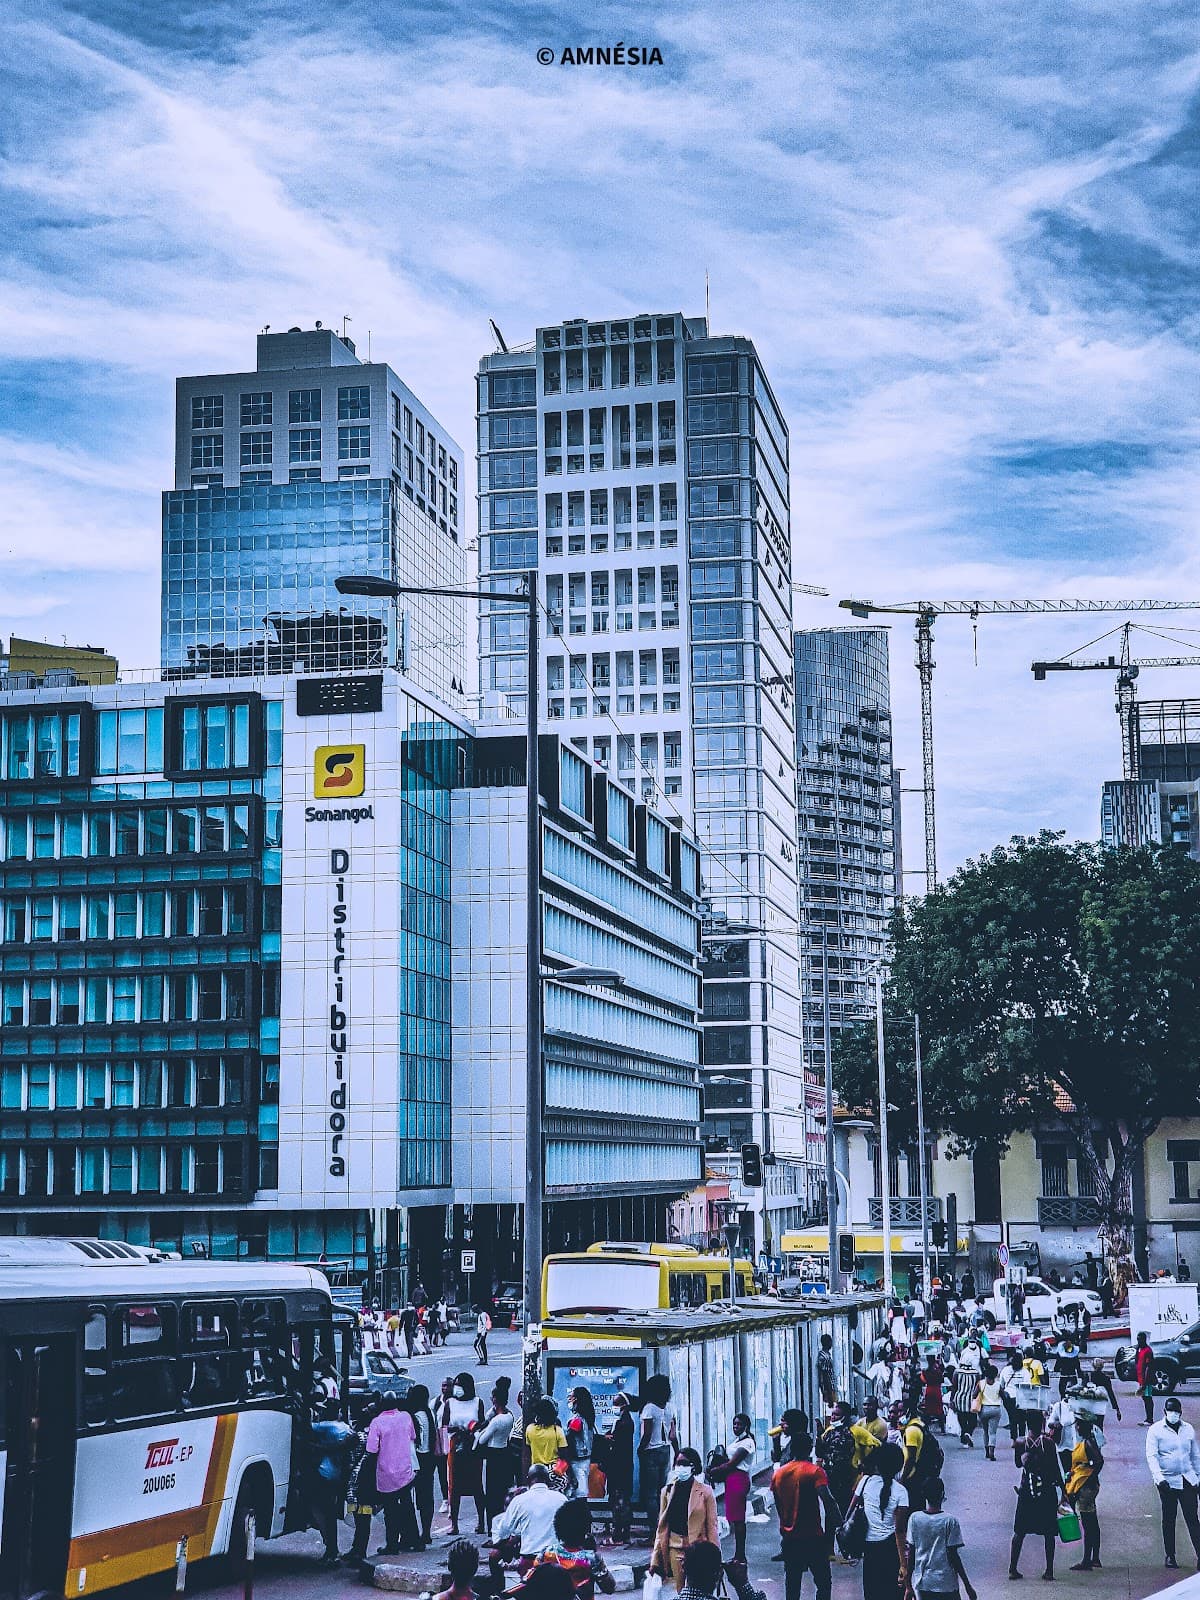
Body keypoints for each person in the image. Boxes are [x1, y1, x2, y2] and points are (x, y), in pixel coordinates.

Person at [772, 1428, 839, 1600]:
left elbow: (778, 1502)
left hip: (789, 1538)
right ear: (810, 1449)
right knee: (824, 1583)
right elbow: (828, 1500)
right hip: (813, 1537)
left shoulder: (778, 1474)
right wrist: (841, 1524)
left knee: (792, 1585)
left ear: (792, 1449)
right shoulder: (814, 1471)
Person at [650, 1448, 718, 1591]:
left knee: (699, 1589)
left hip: (699, 1550)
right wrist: (655, 1559)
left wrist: (716, 1557)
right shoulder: (667, 1491)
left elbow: (712, 1526)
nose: (680, 1467)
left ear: (693, 1466)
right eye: (677, 1463)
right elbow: (661, 1528)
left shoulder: (705, 1492)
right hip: (675, 1548)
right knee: (681, 1591)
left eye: (683, 1463)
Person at [1147, 1395, 1200, 1568]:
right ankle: (1170, 1556)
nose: (1173, 1414)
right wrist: (1159, 1479)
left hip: (1187, 1479)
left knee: (1192, 1518)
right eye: (1170, 1410)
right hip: (1167, 1481)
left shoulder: (1188, 1429)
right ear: (1164, 1412)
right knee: (1169, 1519)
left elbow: (1195, 1456)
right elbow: (1152, 1456)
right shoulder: (1155, 1430)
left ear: (1181, 1412)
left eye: (1176, 1411)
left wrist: (1198, 1479)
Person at [366, 1389, 420, 1554]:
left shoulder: (377, 1422)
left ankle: (392, 1544)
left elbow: (371, 1449)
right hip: (405, 1471)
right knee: (407, 1506)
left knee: (390, 1511)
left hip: (386, 1474)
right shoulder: (406, 1417)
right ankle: (414, 1540)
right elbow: (412, 1436)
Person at [1009, 1422, 1064, 1581]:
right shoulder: (1048, 1443)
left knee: (1019, 1531)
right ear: (1042, 1423)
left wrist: (1026, 1458)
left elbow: (1018, 1464)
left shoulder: (1020, 1442)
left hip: (1026, 1490)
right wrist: (1064, 1491)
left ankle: (1013, 1568)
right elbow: (1055, 1468)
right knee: (1048, 1533)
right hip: (1046, 1491)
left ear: (1026, 1424)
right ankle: (1049, 1571)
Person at [905, 1476, 976, 1600]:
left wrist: (908, 1586)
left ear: (924, 1495)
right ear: (942, 1494)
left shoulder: (914, 1518)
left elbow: (911, 1554)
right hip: (945, 1583)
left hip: (923, 1583)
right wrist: (967, 1585)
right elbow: (953, 1556)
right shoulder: (950, 1521)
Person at [536, 1499, 616, 1600]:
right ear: (585, 1530)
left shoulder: (546, 1553)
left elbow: (533, 1581)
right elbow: (609, 1588)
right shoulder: (591, 1558)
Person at [309, 1398, 356, 1565]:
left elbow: (306, 1427)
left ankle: (331, 1548)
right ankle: (332, 1548)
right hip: (338, 1476)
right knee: (331, 1514)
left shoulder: (326, 1426)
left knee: (320, 1510)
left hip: (324, 1474)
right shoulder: (346, 1428)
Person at [860, 1441, 910, 1600]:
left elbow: (850, 1511)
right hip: (890, 1548)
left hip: (869, 1547)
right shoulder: (901, 1492)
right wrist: (903, 1564)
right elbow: (900, 1530)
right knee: (892, 1593)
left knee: (871, 1592)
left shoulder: (865, 1482)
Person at [496, 1467, 570, 1571]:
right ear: (548, 1479)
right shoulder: (561, 1499)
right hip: (556, 1560)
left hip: (529, 1560)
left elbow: (503, 1531)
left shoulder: (519, 1500)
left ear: (528, 1479)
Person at [445, 1371, 488, 1535]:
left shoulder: (478, 1402)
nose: (457, 1389)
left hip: (472, 1446)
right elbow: (445, 1425)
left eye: (459, 1385)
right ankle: (454, 1524)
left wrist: (473, 1428)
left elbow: (482, 1422)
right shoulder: (450, 1403)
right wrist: (457, 1429)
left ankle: (481, 1522)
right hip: (456, 1445)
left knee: (477, 1485)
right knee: (454, 1486)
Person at [346, 1399, 384, 1567]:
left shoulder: (360, 1436)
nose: (364, 1409)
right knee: (362, 1516)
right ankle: (357, 1548)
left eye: (368, 1408)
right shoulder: (375, 1433)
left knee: (361, 1516)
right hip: (366, 1481)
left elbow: (350, 1457)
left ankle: (359, 1551)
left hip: (359, 1482)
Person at [477, 1377, 518, 1528]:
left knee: (492, 1494)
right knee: (503, 1492)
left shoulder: (496, 1420)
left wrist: (478, 1431)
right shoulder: (509, 1416)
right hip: (504, 1452)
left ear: (495, 1399)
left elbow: (482, 1439)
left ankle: (492, 1527)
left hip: (494, 1455)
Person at [1065, 1415, 1104, 1572]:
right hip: (1084, 1484)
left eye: (1079, 1425)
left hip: (1086, 1487)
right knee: (1092, 1522)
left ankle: (1087, 1560)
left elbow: (1099, 1461)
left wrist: (1089, 1477)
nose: (1077, 1427)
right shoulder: (1087, 1441)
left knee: (1088, 1523)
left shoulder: (1088, 1443)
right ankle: (1095, 1558)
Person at [638, 1376, 678, 1525]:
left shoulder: (649, 1408)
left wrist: (640, 1449)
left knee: (650, 1495)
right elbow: (673, 1434)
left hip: (651, 1451)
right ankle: (665, 1526)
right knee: (662, 1491)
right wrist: (677, 1452)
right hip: (666, 1449)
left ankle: (654, 1531)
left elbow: (647, 1434)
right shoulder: (669, 1407)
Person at [718, 1411, 756, 1563]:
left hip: (738, 1479)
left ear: (746, 1426)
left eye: (739, 1424)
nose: (736, 1427)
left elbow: (732, 1463)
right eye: (734, 1424)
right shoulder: (737, 1441)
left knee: (739, 1519)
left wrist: (714, 1470)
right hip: (732, 1479)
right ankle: (739, 1554)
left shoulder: (747, 1443)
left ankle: (740, 1555)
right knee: (734, 1518)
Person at [408, 1382, 438, 1547]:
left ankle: (412, 1533)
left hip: (417, 1458)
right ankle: (426, 1532)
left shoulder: (415, 1416)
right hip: (429, 1458)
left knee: (409, 1497)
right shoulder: (430, 1414)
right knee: (426, 1497)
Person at [604, 1392, 635, 1544]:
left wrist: (608, 1439)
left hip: (618, 1466)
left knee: (618, 1500)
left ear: (623, 1404)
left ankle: (618, 1534)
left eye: (615, 1403)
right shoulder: (624, 1421)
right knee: (623, 1499)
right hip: (624, 1466)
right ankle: (625, 1532)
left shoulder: (624, 1422)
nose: (613, 1407)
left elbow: (617, 1444)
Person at [816, 1402, 856, 1518]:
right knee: (830, 1511)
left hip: (842, 1478)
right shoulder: (829, 1433)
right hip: (830, 1478)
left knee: (842, 1511)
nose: (833, 1417)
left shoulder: (847, 1435)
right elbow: (820, 1452)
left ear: (845, 1417)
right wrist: (819, 1435)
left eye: (837, 1415)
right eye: (832, 1414)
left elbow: (838, 1458)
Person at [564, 1387, 596, 1501]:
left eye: (571, 1397)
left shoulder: (577, 1420)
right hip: (585, 1458)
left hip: (576, 1460)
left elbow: (568, 1439)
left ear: (576, 1400)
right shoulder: (588, 1418)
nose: (569, 1399)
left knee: (579, 1492)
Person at [951, 1335, 981, 1447]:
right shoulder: (976, 1373)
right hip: (971, 1400)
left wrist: (952, 1400)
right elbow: (978, 1387)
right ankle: (968, 1433)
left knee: (962, 1420)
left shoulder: (957, 1372)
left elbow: (954, 1387)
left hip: (959, 1399)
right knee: (972, 1421)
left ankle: (964, 1437)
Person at [526, 1397, 569, 1469]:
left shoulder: (529, 1429)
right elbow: (564, 1454)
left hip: (536, 1469)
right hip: (553, 1470)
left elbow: (528, 1451)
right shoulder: (557, 1431)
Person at [975, 1363, 1004, 1462]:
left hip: (984, 1410)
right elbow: (1003, 1396)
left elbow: (974, 1395)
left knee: (985, 1431)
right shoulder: (998, 1385)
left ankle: (987, 1451)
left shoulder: (981, 1383)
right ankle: (992, 1452)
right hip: (996, 1410)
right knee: (993, 1432)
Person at [918, 1354, 945, 1431]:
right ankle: (942, 1428)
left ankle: (926, 1427)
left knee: (928, 1409)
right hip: (937, 1391)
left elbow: (923, 1380)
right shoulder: (938, 1371)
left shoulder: (925, 1371)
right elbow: (942, 1380)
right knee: (939, 1409)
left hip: (929, 1390)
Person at [1136, 1331, 1157, 1426]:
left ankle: (1150, 1419)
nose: (1138, 1341)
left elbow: (1148, 1366)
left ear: (1144, 1340)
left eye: (1140, 1339)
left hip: (1146, 1380)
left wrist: (1144, 1381)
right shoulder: (1140, 1350)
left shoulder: (1148, 1351)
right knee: (1145, 1398)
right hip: (1141, 1379)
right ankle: (1148, 1418)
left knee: (1148, 1398)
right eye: (1137, 1339)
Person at [817, 1332, 837, 1415]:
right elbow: (825, 1376)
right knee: (832, 1410)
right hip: (829, 1388)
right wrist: (829, 1395)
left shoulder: (823, 1354)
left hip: (829, 1388)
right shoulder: (825, 1357)